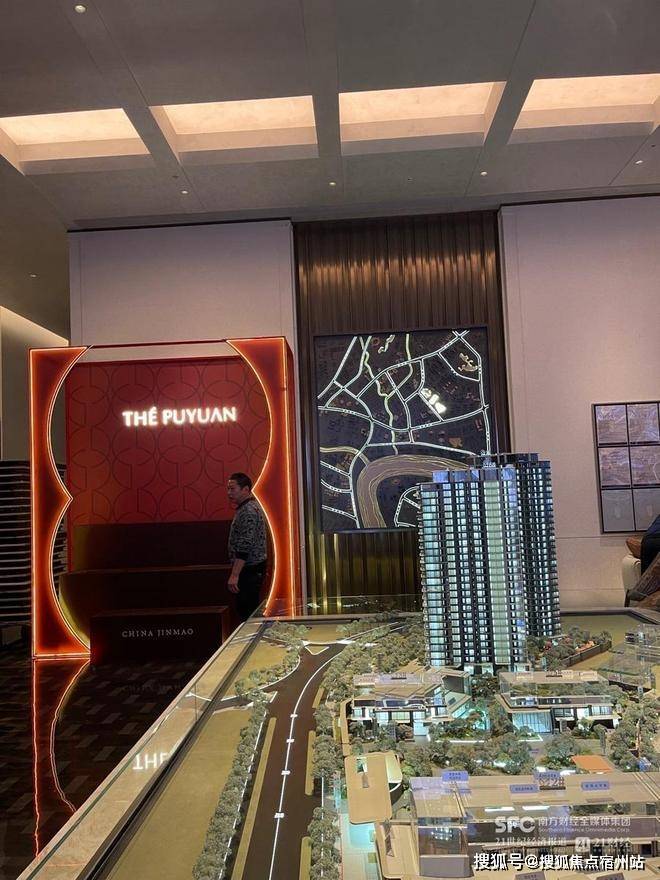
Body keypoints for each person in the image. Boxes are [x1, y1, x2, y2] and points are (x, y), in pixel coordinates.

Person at [226, 472, 268, 621]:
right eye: (228, 489)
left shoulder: (249, 510)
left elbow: (245, 545)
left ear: (245, 489)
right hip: (250, 569)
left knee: (248, 613)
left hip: (249, 569)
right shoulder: (247, 508)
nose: (229, 493)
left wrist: (235, 574)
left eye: (232, 489)